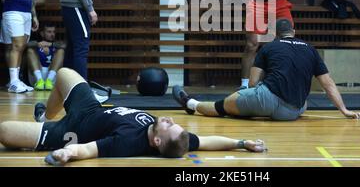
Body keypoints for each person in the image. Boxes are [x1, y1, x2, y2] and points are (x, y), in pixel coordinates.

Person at [0, 68, 267, 166]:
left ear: (158, 143)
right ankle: (44, 117)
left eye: (169, 127)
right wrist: (241, 143)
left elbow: (89, 150)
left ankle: (46, 127)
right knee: (64, 73)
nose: (170, 121)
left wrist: (66, 154)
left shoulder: (128, 141)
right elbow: (207, 142)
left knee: (5, 130)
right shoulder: (176, 138)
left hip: (70, 132)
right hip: (91, 109)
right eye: (172, 123)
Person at [173, 18, 360, 121]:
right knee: (300, 102)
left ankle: (190, 104)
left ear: (275, 34)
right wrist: (345, 110)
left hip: (267, 100)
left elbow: (253, 82)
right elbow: (328, 84)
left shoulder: (270, 47)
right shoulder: (311, 49)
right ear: (294, 32)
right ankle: (253, 109)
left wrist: (244, 96)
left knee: (222, 106)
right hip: (294, 111)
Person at [0, 0, 41, 93]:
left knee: (22, 46)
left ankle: (17, 80)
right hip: (13, 11)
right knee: (16, 45)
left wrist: (34, 15)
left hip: (26, 12)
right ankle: (13, 82)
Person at [27, 22, 66, 91]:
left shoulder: (57, 44)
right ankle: (39, 80)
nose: (52, 34)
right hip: (36, 77)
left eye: (54, 32)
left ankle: (49, 80)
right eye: (49, 32)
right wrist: (37, 44)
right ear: (42, 33)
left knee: (61, 51)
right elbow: (24, 44)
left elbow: (65, 45)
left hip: (52, 77)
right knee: (30, 50)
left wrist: (50, 44)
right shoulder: (37, 44)